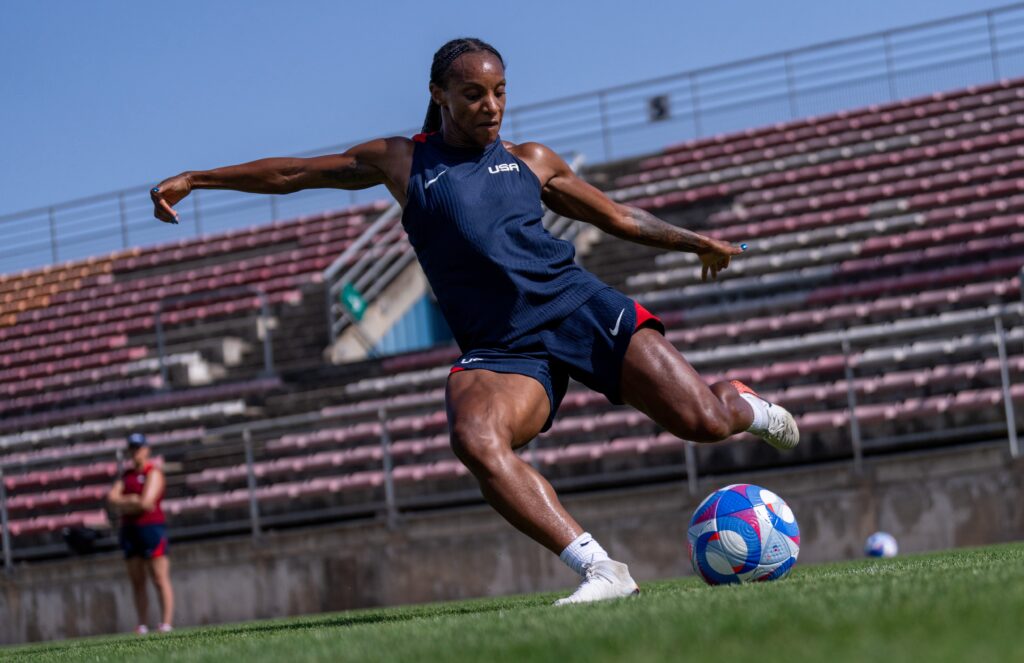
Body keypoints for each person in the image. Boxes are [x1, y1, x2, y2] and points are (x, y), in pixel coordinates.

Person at [150, 37, 799, 605]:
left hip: (578, 307)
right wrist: (198, 178)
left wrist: (697, 242)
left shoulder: (531, 159)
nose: (490, 106)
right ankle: (601, 568)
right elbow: (293, 171)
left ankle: (742, 402)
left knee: (703, 423)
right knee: (476, 437)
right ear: (439, 95)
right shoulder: (404, 161)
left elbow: (618, 217)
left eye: (499, 92)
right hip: (502, 346)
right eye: (473, 93)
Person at [107, 433, 175, 632]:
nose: (135, 452)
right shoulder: (126, 476)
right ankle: (142, 624)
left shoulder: (153, 473)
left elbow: (146, 502)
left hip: (151, 528)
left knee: (159, 577)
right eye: (132, 448)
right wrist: (133, 500)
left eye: (138, 448)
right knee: (137, 580)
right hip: (130, 530)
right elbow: (112, 499)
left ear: (146, 449)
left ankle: (166, 623)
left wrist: (126, 502)